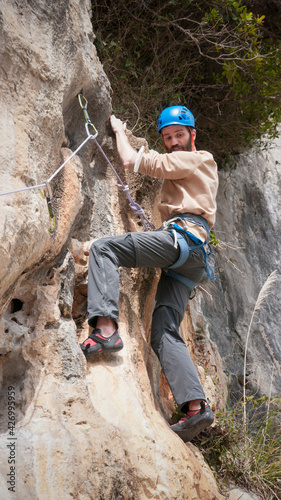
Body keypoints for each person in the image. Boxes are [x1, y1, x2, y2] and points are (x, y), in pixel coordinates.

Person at [80, 105, 218, 442]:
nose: (173, 142)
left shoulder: (199, 158)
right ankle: (196, 407)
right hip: (192, 255)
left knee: (104, 249)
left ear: (193, 135)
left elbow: (135, 161)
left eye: (179, 135)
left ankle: (106, 330)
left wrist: (118, 132)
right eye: (168, 137)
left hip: (183, 240)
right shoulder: (190, 167)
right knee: (164, 331)